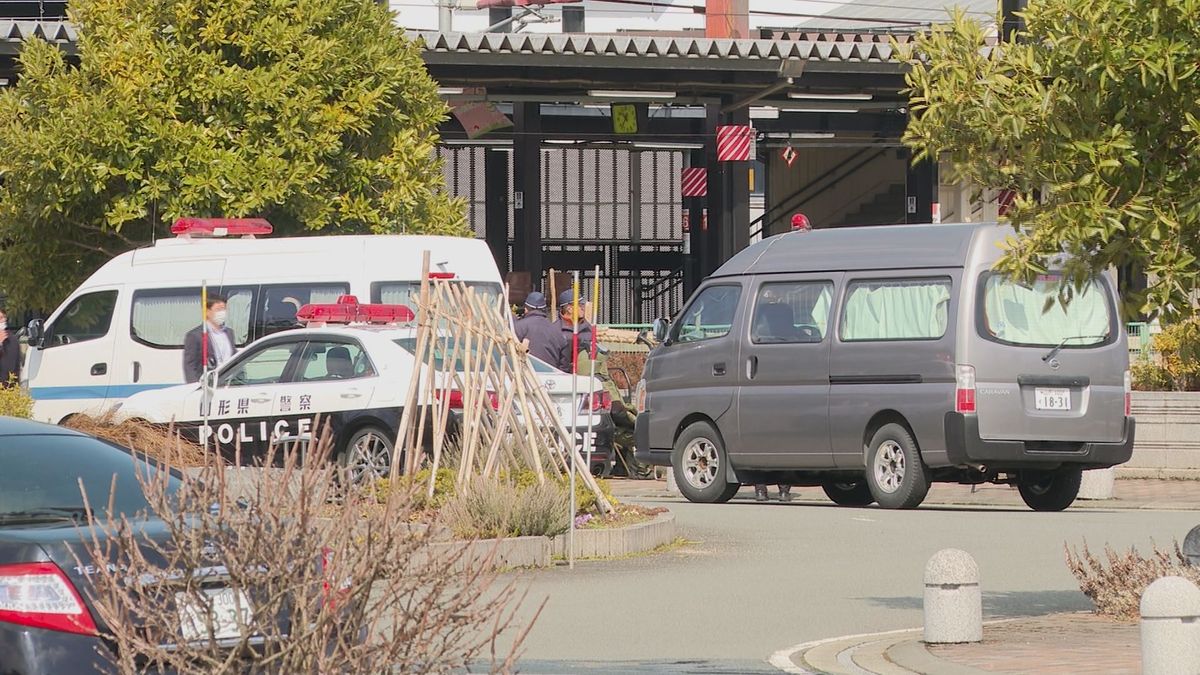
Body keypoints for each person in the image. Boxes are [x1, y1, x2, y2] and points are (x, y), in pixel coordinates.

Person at [183, 295, 237, 383]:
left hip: (230, 383)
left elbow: (236, 358)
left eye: (224, 309)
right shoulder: (195, 335)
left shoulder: (229, 333)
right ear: (207, 311)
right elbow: (190, 366)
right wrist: (196, 387)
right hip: (209, 384)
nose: (222, 313)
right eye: (218, 310)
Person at [513, 291, 567, 367]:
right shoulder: (557, 331)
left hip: (524, 375)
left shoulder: (517, 327)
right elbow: (564, 366)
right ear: (544, 309)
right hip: (551, 376)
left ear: (526, 309)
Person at [554, 290, 594, 374]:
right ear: (569, 309)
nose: (583, 308)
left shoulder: (588, 328)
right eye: (580, 305)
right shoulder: (555, 330)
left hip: (587, 378)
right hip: (564, 378)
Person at [0, 306, 19, 388]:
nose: (3, 320)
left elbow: (16, 364)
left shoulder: (12, 339)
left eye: (4, 317)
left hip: (10, 388)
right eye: (0, 318)